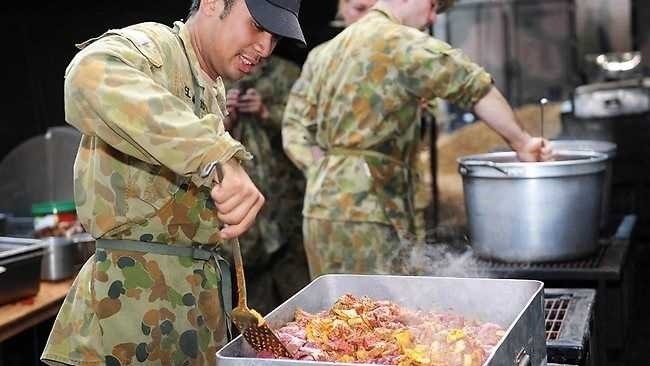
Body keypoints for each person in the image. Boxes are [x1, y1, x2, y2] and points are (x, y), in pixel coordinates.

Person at [41, 0, 305, 365]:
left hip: (190, 313)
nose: (265, 48)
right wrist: (217, 152)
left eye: (275, 38)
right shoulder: (160, 50)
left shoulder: (210, 85)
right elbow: (88, 74)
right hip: (128, 320)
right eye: (258, 26)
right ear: (213, 4)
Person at [282, 0, 552, 278]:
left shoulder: (323, 54)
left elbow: (295, 129)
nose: (433, 17)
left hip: (319, 209)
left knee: (332, 312)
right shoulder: (399, 41)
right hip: (372, 211)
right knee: (380, 314)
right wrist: (522, 142)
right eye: (433, 5)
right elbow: (473, 85)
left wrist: (325, 171)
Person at [222, 55, 307, 314]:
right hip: (241, 206)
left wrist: (265, 113)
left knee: (299, 291)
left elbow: (305, 129)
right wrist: (226, 117)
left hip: (285, 203)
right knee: (252, 294)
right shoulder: (219, 73)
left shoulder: (288, 74)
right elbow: (194, 132)